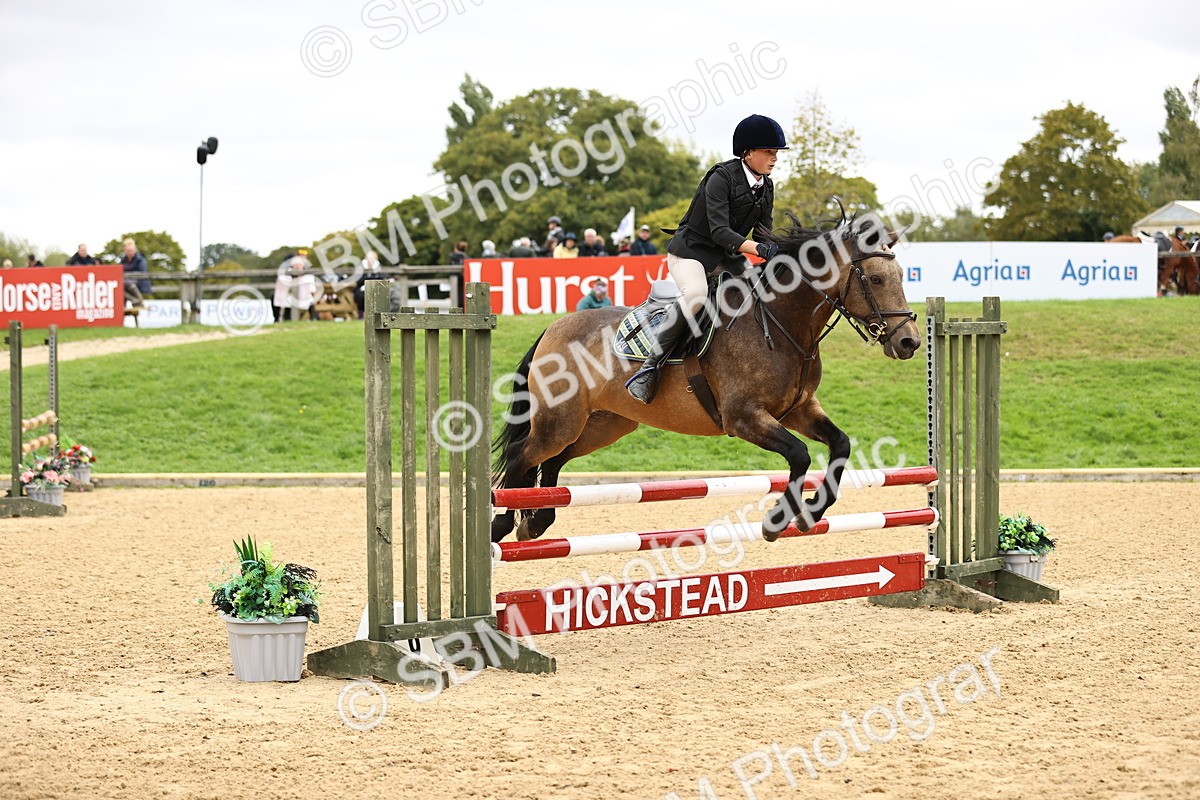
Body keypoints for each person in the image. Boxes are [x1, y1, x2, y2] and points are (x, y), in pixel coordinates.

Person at [625, 113, 786, 404]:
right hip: (691, 252)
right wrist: (760, 250)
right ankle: (649, 369)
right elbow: (720, 231)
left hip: (726, 255)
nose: (774, 159)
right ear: (748, 152)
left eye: (775, 153)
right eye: (769, 152)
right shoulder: (721, 178)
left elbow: (764, 232)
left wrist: (780, 251)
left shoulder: (766, 186)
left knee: (761, 296)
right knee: (697, 295)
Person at [119, 238, 149, 305]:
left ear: (135, 249)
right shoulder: (123, 261)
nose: (130, 252)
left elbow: (142, 273)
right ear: (125, 250)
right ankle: (136, 300)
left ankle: (137, 301)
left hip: (139, 282)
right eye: (128, 250)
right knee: (118, 286)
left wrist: (128, 276)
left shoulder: (140, 260)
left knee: (128, 284)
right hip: (125, 284)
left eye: (131, 250)